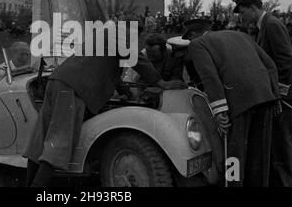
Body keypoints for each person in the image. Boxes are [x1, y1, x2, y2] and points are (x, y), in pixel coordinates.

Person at [23, 26, 187, 187]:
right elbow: (134, 58)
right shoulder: (118, 33)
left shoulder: (103, 34)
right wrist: (161, 83)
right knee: (61, 141)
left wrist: (125, 91)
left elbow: (103, 66)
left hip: (58, 80)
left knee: (42, 137)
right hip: (74, 87)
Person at [182, 18, 280, 187]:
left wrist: (220, 112)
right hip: (265, 97)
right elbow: (271, 65)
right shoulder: (241, 35)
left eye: (188, 38)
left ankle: (233, 185)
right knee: (260, 152)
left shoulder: (197, 44)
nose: (189, 42)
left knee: (233, 154)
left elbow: (210, 78)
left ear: (193, 34)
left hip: (238, 102)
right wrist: (275, 96)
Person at [233, 0, 292, 186]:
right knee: (274, 141)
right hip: (278, 95)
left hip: (283, 97)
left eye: (243, 12)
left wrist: (278, 96)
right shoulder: (264, 26)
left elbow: (285, 63)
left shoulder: (271, 25)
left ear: (254, 8)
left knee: (281, 142)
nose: (242, 17)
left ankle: (285, 182)